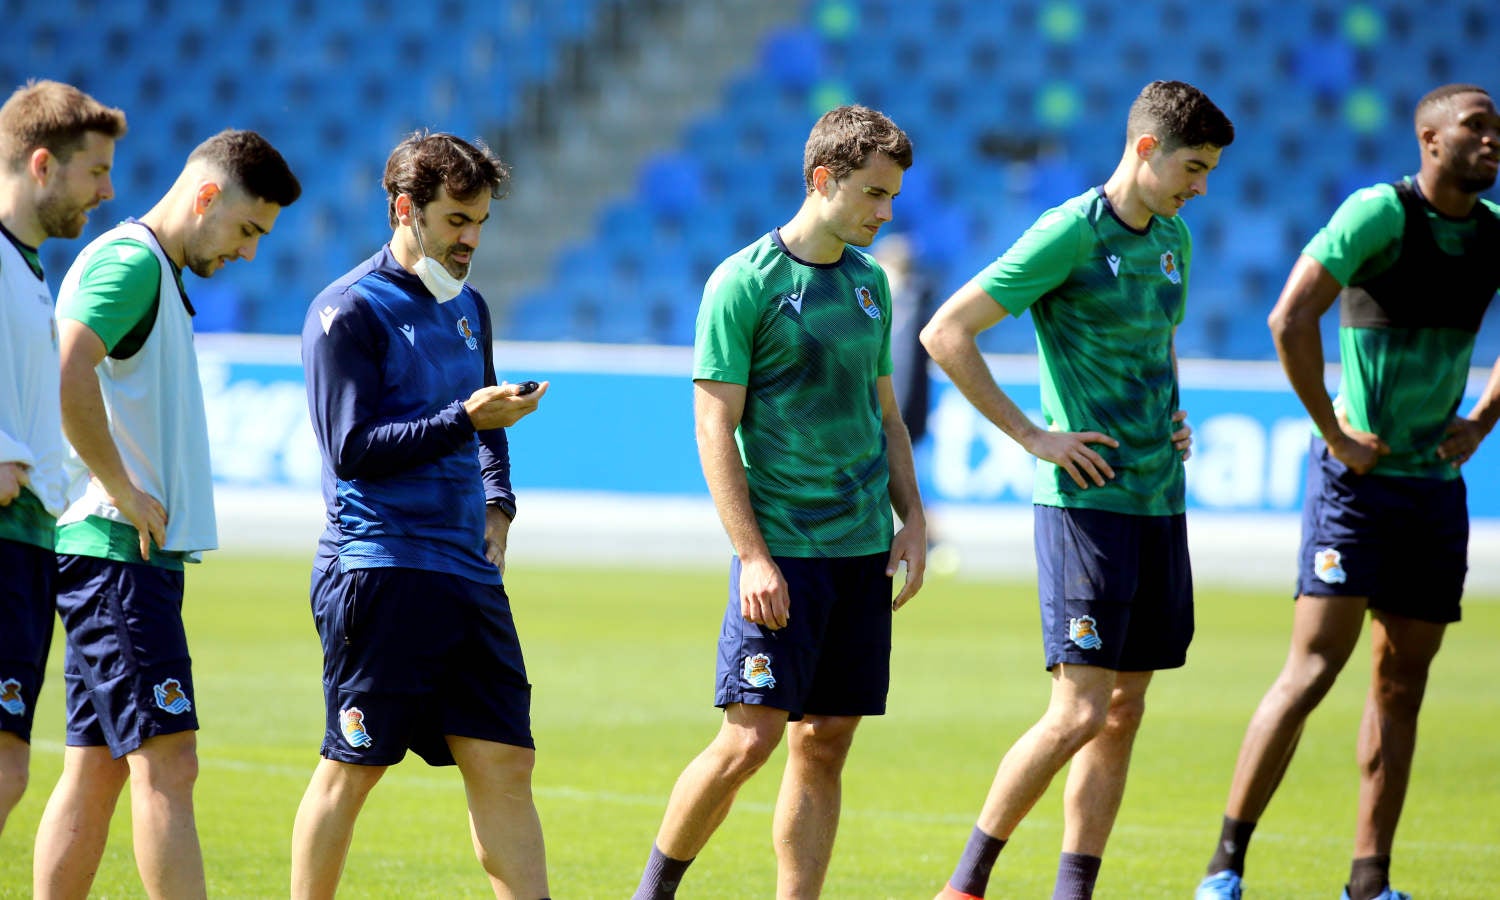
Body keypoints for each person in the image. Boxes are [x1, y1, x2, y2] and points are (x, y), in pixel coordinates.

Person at [920, 80, 1234, 900]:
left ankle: (1073, 891)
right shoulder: (1068, 232)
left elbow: (1158, 340)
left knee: (1123, 712)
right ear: (1144, 149)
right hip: (1085, 508)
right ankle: (966, 884)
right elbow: (945, 332)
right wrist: (1033, 436)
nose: (1200, 188)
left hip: (1158, 502)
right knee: (1079, 713)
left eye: (1208, 173)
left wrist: (1175, 413)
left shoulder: (1174, 239)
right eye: (1192, 168)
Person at [1195, 83, 1500, 900]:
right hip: (1355, 492)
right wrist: (1334, 433)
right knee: (1313, 671)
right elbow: (1289, 318)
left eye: (1495, 130)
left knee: (1402, 686)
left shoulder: (1496, 236)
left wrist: (1481, 422)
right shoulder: (1378, 215)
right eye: (1476, 128)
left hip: (1433, 494)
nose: (1492, 141)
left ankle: (1370, 880)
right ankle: (1226, 866)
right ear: (1430, 140)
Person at [631, 104, 927, 900]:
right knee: (748, 740)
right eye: (873, 193)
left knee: (825, 741)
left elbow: (887, 417)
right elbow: (712, 426)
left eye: (892, 197)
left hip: (862, 552)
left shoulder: (871, 286)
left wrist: (914, 523)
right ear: (823, 180)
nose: (885, 211)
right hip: (784, 555)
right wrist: (753, 556)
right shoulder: (744, 282)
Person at [31, 128, 300, 898]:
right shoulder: (130, 264)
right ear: (207, 197)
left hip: (121, 556)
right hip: (115, 555)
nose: (250, 253)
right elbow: (64, 367)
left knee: (96, 772)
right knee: (169, 763)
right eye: (248, 230)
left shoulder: (154, 273)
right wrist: (118, 485)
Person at [290, 131, 549, 900]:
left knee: (505, 759)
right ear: (406, 209)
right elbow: (352, 448)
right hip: (380, 567)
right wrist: (463, 422)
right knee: (354, 765)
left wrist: (498, 504)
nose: (471, 239)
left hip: (465, 573)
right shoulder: (348, 311)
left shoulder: (470, 307)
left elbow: (489, 422)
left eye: (481, 223)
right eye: (457, 220)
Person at [0, 79, 124, 838]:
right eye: (95, 172)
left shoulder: (25, 267)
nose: (108, 191)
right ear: (42, 165)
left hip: (30, 542)